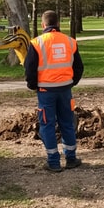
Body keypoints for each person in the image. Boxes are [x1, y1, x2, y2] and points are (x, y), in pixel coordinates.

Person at [24, 10, 84, 172]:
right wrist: (71, 82)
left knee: (47, 125)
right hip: (65, 90)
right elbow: (79, 67)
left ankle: (54, 162)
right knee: (67, 123)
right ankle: (71, 159)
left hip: (45, 91)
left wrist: (33, 85)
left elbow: (29, 69)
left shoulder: (37, 43)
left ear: (43, 25)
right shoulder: (70, 42)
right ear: (58, 24)